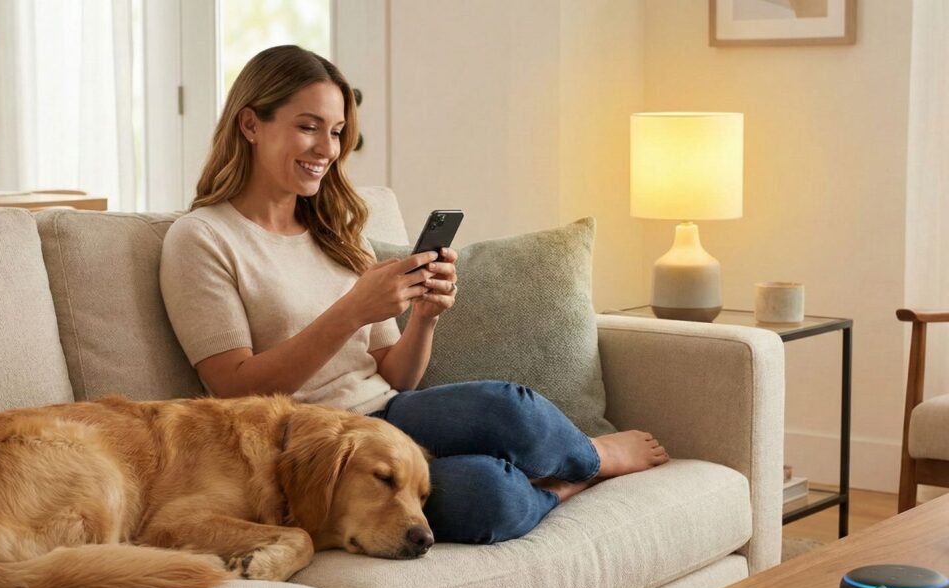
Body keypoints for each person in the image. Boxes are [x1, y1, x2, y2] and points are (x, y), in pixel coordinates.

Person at [159, 45, 668, 546]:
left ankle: (591, 455)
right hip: (306, 446)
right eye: (308, 126)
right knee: (488, 495)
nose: (327, 149)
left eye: (336, 133)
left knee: (507, 407)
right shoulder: (202, 238)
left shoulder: (338, 231)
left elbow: (395, 375)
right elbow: (232, 391)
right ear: (250, 124)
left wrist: (424, 316)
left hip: (388, 414)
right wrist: (352, 309)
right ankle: (564, 483)